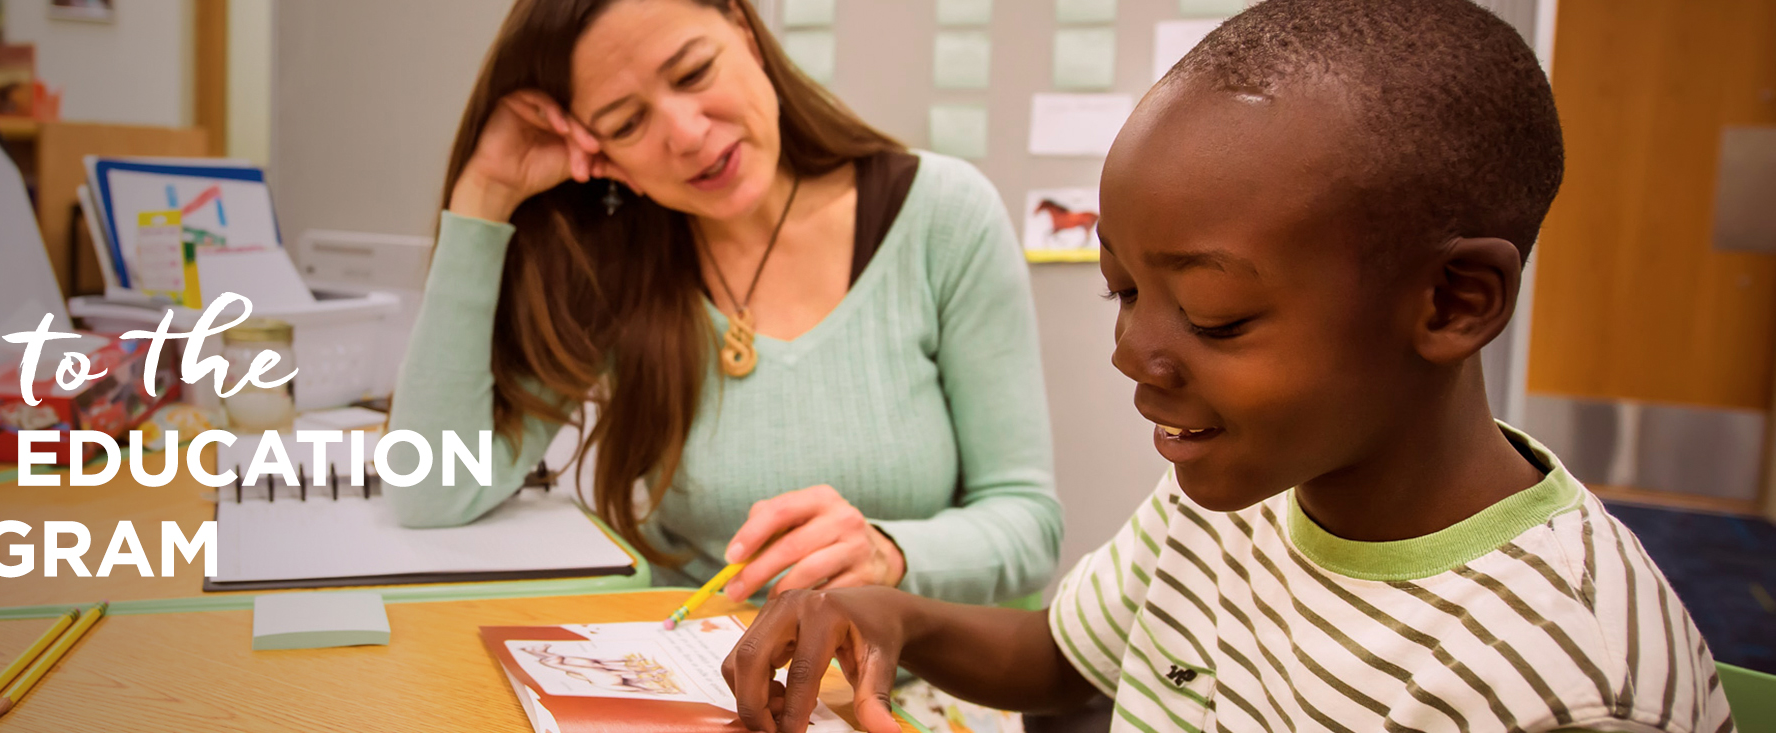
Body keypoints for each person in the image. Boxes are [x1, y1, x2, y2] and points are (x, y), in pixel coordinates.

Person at [722, 1, 1737, 731]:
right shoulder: (1238, 489)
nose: (1132, 354)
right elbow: (1062, 659)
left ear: (1453, 301)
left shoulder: (1555, 683)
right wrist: (882, 610)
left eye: (1215, 316)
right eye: (1120, 290)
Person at [382, 0, 1061, 605]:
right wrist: (485, 194)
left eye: (693, 72)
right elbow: (430, 489)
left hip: (904, 685)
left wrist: (888, 552)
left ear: (744, 30)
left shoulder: (943, 214)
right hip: (699, 680)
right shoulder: (614, 258)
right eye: (626, 122)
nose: (684, 132)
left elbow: (1028, 523)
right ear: (595, 152)